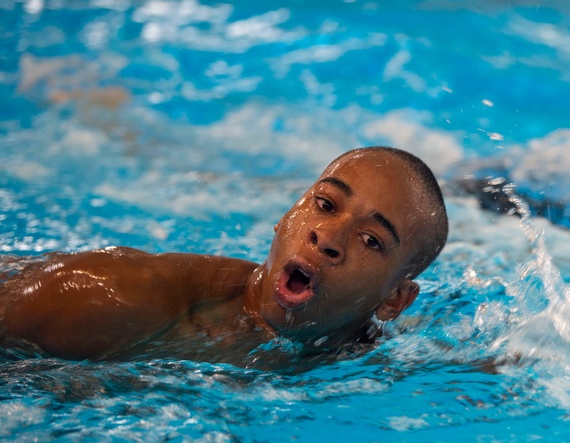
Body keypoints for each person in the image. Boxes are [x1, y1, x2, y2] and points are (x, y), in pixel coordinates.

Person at [0, 146, 449, 368]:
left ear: (395, 300)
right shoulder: (119, 297)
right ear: (285, 216)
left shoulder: (373, 356)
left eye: (371, 241)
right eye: (325, 205)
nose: (328, 238)